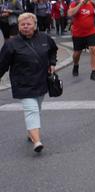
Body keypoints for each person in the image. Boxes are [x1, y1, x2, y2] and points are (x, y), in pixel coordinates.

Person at [0, 13, 57, 152]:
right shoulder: (11, 44)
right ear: (18, 26)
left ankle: (31, 131)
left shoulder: (45, 38)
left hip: (41, 81)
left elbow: (53, 51)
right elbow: (2, 64)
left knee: (37, 108)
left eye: (28, 24)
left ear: (35, 25)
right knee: (31, 111)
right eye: (22, 25)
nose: (25, 27)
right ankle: (37, 141)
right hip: (22, 83)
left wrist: (52, 63)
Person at [68, 0, 95, 81]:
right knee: (77, 53)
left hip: (90, 32)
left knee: (93, 49)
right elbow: (70, 13)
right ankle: (76, 65)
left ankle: (93, 72)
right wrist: (80, 4)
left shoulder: (94, 5)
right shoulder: (74, 4)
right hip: (78, 33)